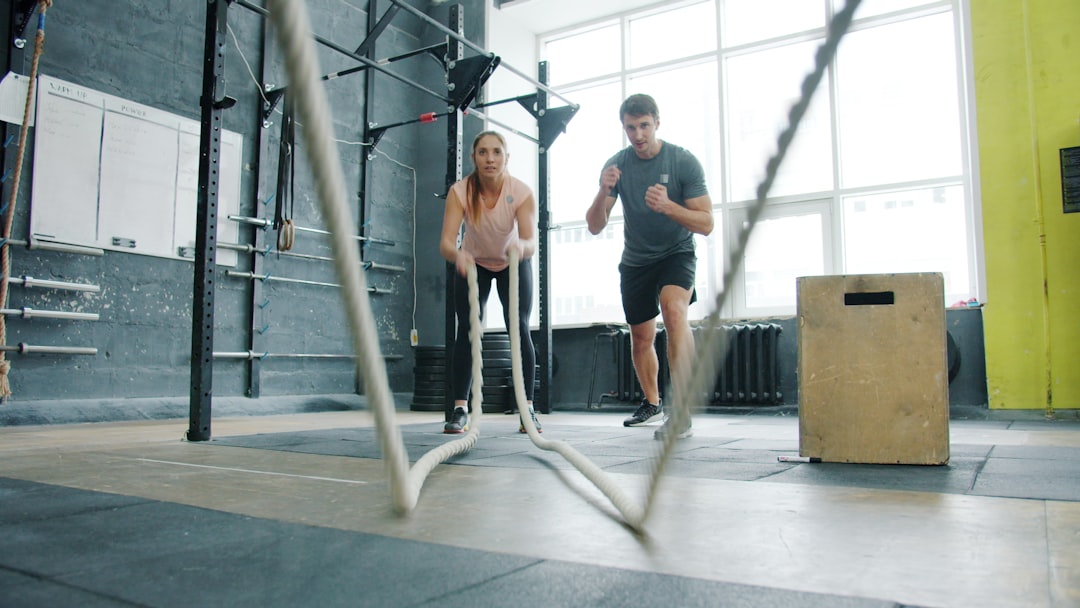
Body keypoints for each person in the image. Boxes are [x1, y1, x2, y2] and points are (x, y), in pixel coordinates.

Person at [586, 94, 713, 440]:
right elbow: (595, 225)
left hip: (676, 253)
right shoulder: (617, 165)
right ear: (623, 127)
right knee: (642, 337)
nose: (638, 134)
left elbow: (706, 223)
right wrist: (603, 191)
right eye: (631, 127)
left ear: (657, 122)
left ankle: (681, 410)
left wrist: (669, 207)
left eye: (644, 125)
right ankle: (653, 402)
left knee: (674, 313)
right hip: (636, 261)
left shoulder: (683, 161)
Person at [440, 130, 542, 435]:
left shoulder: (520, 192)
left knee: (518, 327)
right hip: (475, 263)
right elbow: (446, 242)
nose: (490, 159)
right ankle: (460, 409)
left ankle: (527, 410)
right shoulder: (461, 191)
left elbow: (530, 239)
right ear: (473, 158)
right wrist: (458, 255)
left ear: (506, 158)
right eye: (483, 152)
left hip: (514, 261)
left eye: (497, 152)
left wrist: (521, 248)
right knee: (468, 330)